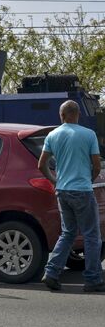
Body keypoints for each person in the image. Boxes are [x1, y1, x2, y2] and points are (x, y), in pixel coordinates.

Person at [38, 99, 104, 292]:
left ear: (61, 116)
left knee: (68, 233)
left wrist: (54, 181)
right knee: (92, 236)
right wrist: (88, 180)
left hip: (62, 191)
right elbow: (97, 165)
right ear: (78, 115)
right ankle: (92, 279)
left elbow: (41, 165)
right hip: (82, 190)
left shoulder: (52, 135)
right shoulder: (89, 135)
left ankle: (51, 272)